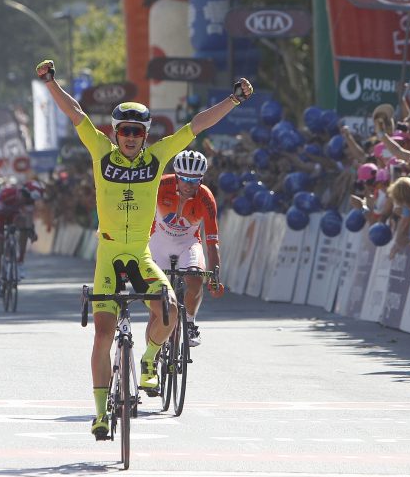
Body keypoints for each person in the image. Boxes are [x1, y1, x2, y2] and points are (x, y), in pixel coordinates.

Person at [34, 58, 252, 439]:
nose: (131, 137)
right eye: (125, 131)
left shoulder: (157, 157)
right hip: (108, 257)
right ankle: (100, 415)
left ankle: (150, 360)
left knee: (171, 311)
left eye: (138, 132)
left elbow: (197, 125)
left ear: (146, 134)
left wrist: (233, 100)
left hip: (140, 256)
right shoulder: (101, 151)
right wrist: (51, 83)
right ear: (115, 132)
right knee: (103, 335)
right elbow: (76, 113)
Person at [148, 150, 221, 347]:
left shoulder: (206, 197)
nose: (189, 185)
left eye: (195, 180)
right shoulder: (160, 185)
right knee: (156, 308)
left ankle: (189, 322)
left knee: (195, 279)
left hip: (188, 243)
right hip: (159, 241)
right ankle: (151, 359)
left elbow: (212, 241)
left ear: (201, 179)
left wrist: (215, 276)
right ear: (176, 176)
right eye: (185, 179)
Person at [0, 180, 42, 295]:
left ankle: (20, 261)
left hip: (13, 215)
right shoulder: (8, 194)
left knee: (24, 226)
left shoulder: (28, 200)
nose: (27, 202)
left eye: (30, 201)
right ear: (22, 193)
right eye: (26, 199)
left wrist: (31, 231)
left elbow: (29, 218)